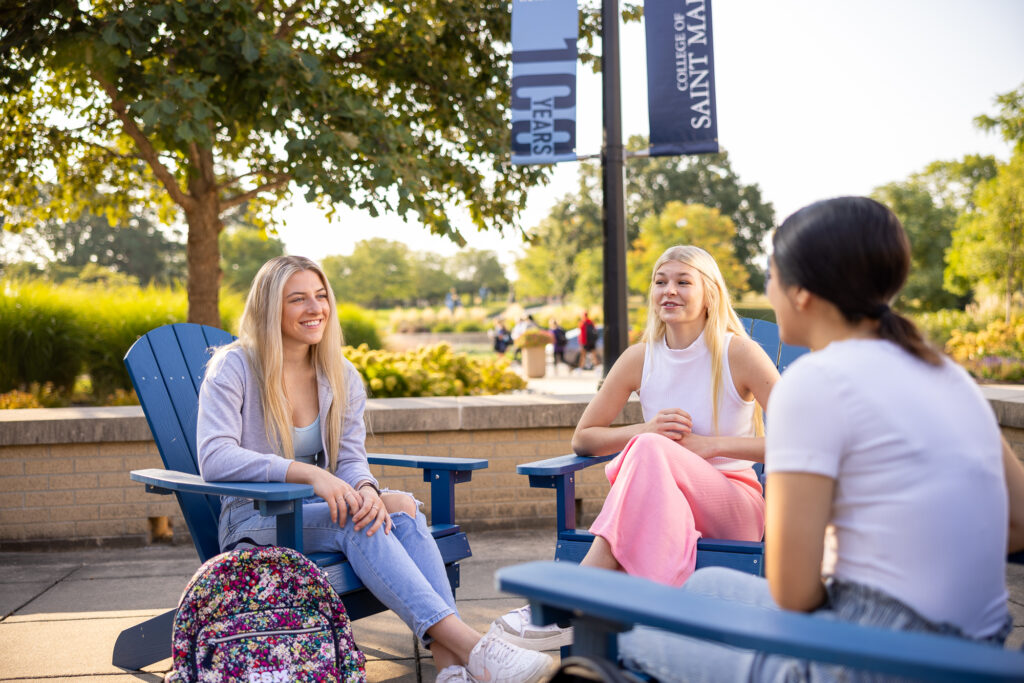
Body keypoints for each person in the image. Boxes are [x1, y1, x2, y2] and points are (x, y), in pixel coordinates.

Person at [614, 197, 1024, 682]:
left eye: (771, 277)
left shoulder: (816, 385)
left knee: (629, 638)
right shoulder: (949, 376)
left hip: (873, 659)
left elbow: (792, 591)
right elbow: (1018, 523)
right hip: (978, 643)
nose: (768, 291)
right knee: (706, 586)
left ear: (801, 292)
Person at [197, 256, 553, 683]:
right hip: (255, 517)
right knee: (358, 520)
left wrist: (365, 487)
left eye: (321, 296)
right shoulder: (234, 367)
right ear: (269, 307)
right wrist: (308, 473)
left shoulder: (339, 374)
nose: (316, 309)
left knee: (399, 511)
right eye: (298, 299)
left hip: (320, 509)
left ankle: (452, 670)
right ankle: (477, 650)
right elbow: (214, 455)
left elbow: (349, 458)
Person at [493, 245, 780, 650]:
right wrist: (645, 428)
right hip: (664, 506)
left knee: (648, 449)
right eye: (660, 282)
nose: (669, 291)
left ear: (709, 293)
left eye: (683, 282)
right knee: (647, 446)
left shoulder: (737, 353)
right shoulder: (639, 358)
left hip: (734, 506)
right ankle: (633, 606)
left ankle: (573, 596)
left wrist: (710, 446)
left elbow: (803, 442)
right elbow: (584, 438)